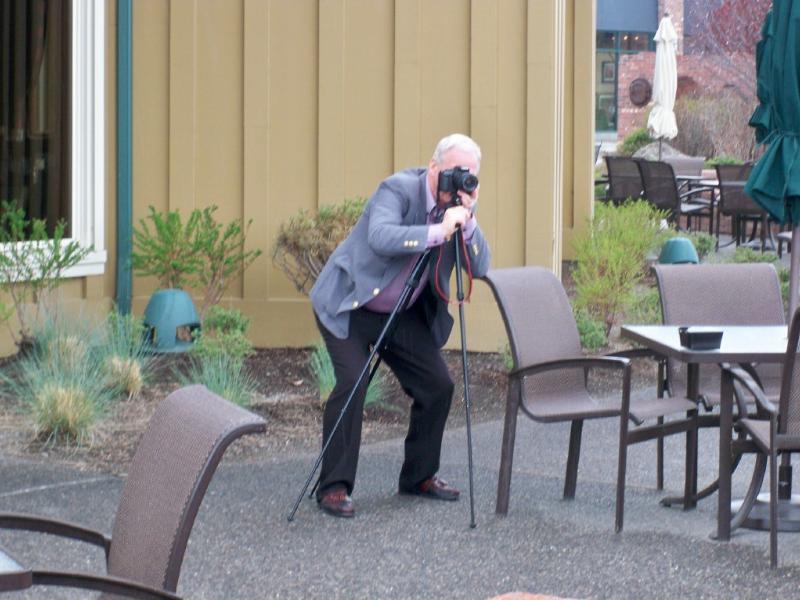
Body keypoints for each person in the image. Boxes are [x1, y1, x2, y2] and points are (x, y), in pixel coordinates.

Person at [310, 133, 491, 518]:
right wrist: (436, 232)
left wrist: (468, 224)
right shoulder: (397, 189)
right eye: (453, 173)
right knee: (353, 383)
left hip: (401, 313)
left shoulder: (458, 209)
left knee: (437, 385)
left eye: (469, 176)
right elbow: (380, 236)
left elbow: (481, 266)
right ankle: (334, 487)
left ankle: (418, 477)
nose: (460, 181)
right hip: (350, 305)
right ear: (433, 168)